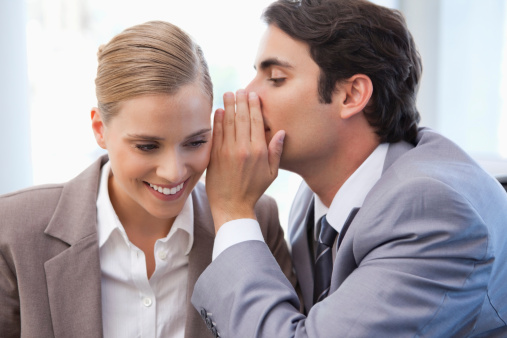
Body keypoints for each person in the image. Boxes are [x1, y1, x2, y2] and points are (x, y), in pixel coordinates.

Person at [191, 0, 507, 336]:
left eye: (276, 78)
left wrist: (232, 209)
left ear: (352, 95)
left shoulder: (435, 213)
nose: (247, 95)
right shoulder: (315, 196)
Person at [0, 20, 295, 337]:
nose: (174, 171)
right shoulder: (15, 230)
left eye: (195, 142)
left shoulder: (252, 223)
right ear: (100, 129)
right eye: (147, 146)